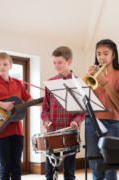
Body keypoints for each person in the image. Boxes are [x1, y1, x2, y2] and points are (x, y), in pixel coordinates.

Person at [85, 39, 119, 180]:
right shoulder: (92, 75)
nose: (101, 57)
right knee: (94, 162)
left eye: (105, 53)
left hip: (111, 122)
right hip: (91, 122)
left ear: (113, 55)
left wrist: (104, 82)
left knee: (110, 163)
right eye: (98, 54)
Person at [0, 52, 34, 180]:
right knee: (6, 166)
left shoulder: (17, 83)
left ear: (10, 66)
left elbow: (28, 99)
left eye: (5, 64)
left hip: (18, 130)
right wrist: (2, 104)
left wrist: (44, 101)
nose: (2, 67)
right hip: (1, 130)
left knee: (17, 166)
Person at [41, 46, 85, 180]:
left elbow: (83, 110)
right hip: (53, 132)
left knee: (69, 172)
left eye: (59, 62)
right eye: (54, 62)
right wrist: (46, 120)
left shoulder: (79, 83)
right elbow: (45, 108)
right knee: (49, 172)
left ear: (69, 61)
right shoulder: (49, 83)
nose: (56, 65)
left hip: (70, 132)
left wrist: (76, 121)